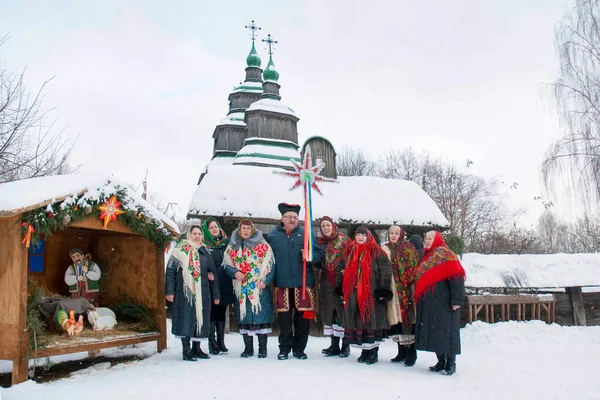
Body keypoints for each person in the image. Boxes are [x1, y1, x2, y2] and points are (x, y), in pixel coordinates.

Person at [267, 202, 324, 360]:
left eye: (295, 217)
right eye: (289, 217)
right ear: (282, 218)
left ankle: (299, 349)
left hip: (304, 283)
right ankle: (284, 349)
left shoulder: (306, 234)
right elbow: (266, 259)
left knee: (302, 319)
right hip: (282, 283)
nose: (293, 219)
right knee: (284, 319)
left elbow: (319, 252)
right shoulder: (273, 236)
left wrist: (309, 256)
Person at [335, 226, 393, 365]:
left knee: (372, 322)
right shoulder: (349, 251)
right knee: (359, 322)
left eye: (363, 235)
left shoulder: (377, 252)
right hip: (354, 295)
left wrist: (383, 290)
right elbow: (339, 269)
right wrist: (340, 288)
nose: (360, 237)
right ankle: (364, 351)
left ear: (368, 236)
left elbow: (385, 271)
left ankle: (373, 352)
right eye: (358, 235)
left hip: (372, 295)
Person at [165, 225, 221, 361]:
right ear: (189, 235)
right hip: (185, 292)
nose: (197, 236)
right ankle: (186, 350)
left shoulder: (205, 252)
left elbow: (212, 273)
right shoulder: (180, 251)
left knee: (199, 319)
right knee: (186, 319)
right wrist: (169, 292)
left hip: (203, 293)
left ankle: (197, 348)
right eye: (194, 233)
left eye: (199, 234)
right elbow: (171, 272)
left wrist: (216, 294)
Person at [414, 230, 466, 376]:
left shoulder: (447, 255)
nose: (427, 241)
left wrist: (456, 301)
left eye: (430, 238)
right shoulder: (428, 256)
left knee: (447, 332)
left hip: (445, 303)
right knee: (435, 332)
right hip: (430, 302)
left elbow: (457, 278)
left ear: (438, 239)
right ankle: (440, 361)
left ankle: (451, 363)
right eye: (426, 239)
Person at [223, 219, 275, 358]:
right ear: (239, 230)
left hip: (259, 288)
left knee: (260, 318)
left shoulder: (263, 245)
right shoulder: (232, 246)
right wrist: (234, 272)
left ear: (252, 230)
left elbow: (271, 265)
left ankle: (262, 349)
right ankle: (248, 348)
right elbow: (226, 264)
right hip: (242, 288)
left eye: (248, 228)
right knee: (245, 319)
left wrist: (266, 281)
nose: (245, 231)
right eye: (243, 228)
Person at [381, 226, 420, 367]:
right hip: (392, 287)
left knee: (408, 320)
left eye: (396, 233)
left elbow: (414, 266)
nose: (393, 235)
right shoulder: (384, 249)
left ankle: (411, 353)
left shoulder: (407, 248)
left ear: (401, 235)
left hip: (406, 289)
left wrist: (406, 281)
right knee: (397, 321)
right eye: (391, 233)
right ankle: (401, 351)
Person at [315, 216, 351, 357]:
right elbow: (318, 263)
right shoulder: (319, 243)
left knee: (342, 313)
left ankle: (345, 346)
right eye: (323, 226)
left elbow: (352, 256)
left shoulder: (344, 241)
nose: (325, 228)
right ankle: (334, 345)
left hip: (342, 282)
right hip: (326, 283)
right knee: (331, 314)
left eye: (327, 225)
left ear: (333, 226)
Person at [202, 217, 234, 355]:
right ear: (207, 231)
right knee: (211, 313)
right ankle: (212, 342)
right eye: (211, 227)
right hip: (211, 283)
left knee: (222, 311)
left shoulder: (226, 243)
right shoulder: (204, 245)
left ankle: (221, 342)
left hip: (225, 282)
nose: (215, 229)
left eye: (216, 226)